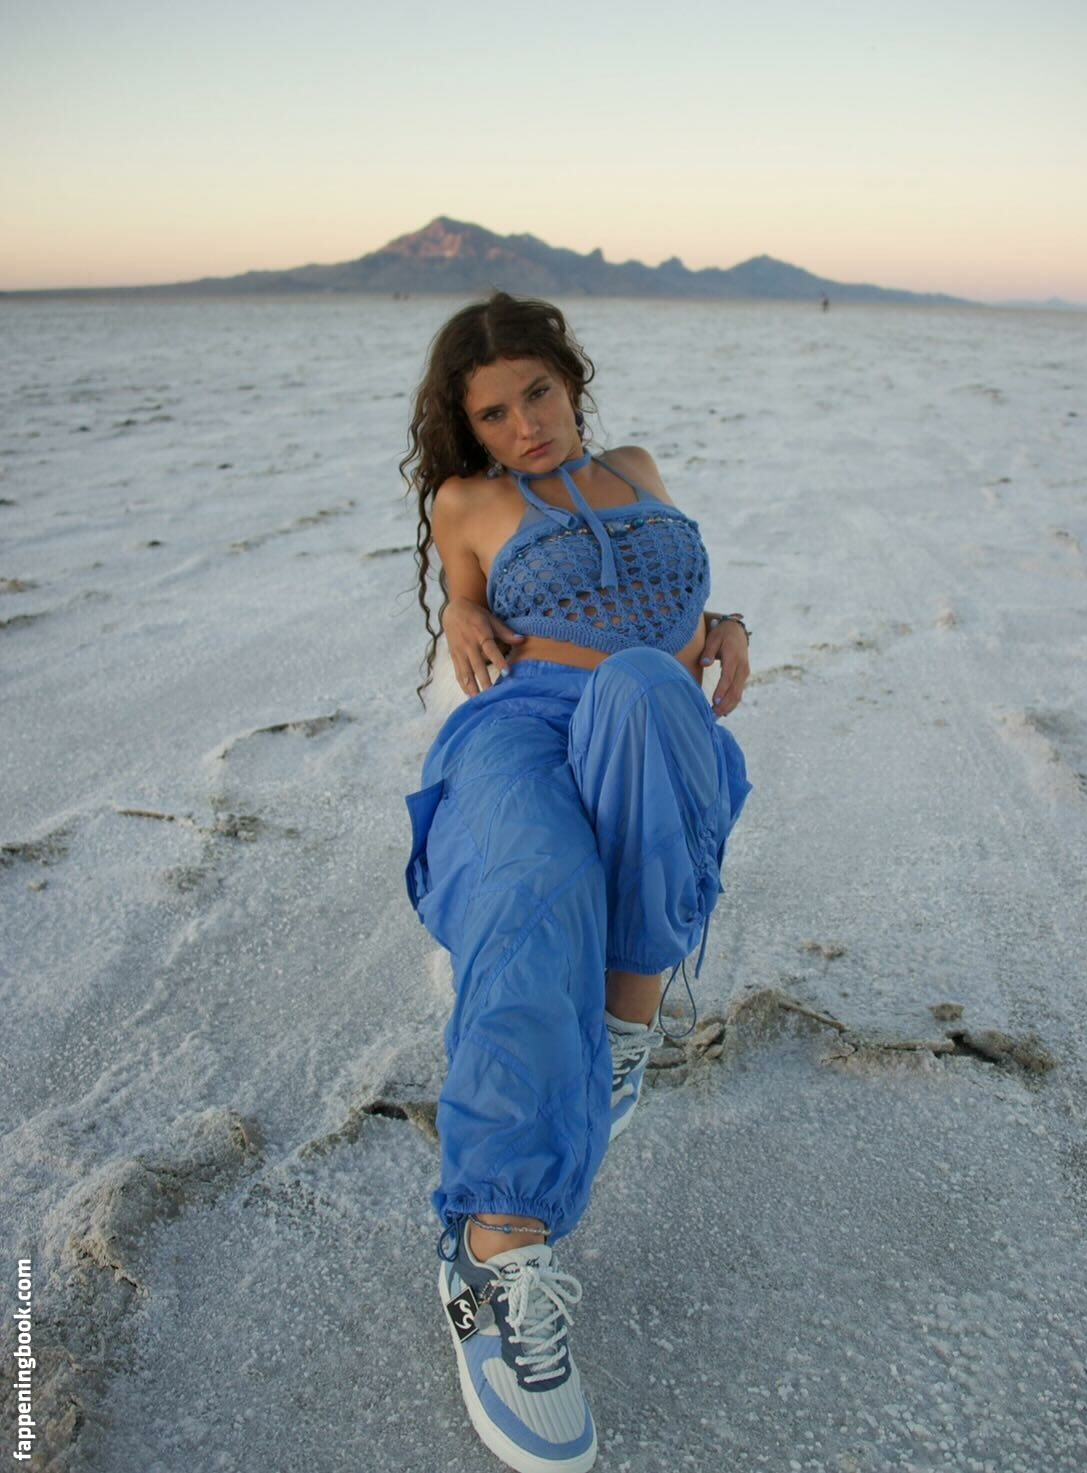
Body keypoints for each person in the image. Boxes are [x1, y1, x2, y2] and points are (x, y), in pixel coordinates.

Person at [399, 290, 754, 1472]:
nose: (525, 427)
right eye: (494, 415)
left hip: (645, 716)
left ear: (571, 379)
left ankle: (622, 1028)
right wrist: (462, 606)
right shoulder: (467, 501)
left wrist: (725, 622)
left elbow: (666, 603)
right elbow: (466, 596)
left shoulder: (638, 469)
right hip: (528, 723)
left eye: (538, 395)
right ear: (469, 429)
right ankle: (494, 1245)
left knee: (648, 682)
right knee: (536, 888)